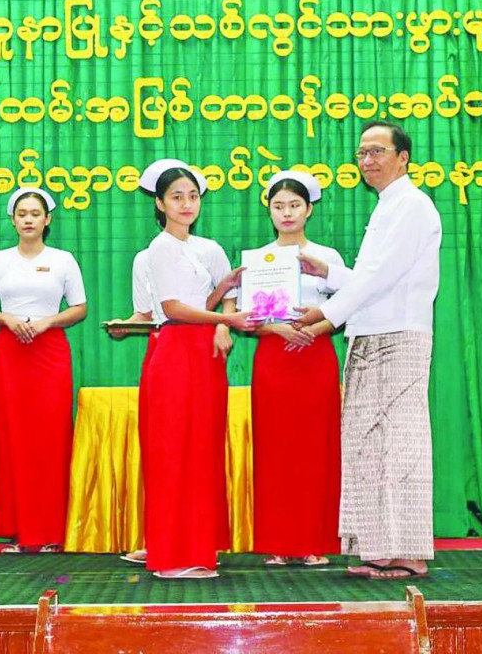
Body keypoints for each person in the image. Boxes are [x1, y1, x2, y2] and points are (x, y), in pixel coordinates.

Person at [294, 123, 442, 581]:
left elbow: (381, 278)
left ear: (403, 157)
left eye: (377, 151)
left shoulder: (412, 204)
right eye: (361, 153)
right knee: (370, 445)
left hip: (397, 335)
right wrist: (329, 273)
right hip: (372, 334)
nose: (367, 161)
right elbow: (372, 276)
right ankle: (380, 550)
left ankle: (407, 552)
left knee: (398, 446)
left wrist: (324, 315)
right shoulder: (388, 205)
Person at [138, 158, 257, 578]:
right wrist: (228, 318)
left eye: (192, 196)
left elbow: (203, 304)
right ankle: (169, 557)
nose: (186, 204)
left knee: (202, 449)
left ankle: (198, 548)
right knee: (172, 450)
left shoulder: (206, 248)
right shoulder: (159, 248)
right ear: (160, 203)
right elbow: (173, 309)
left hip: (204, 354)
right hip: (174, 349)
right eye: (176, 197)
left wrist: (224, 298)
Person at [106, 247, 241, 565]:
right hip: (163, 347)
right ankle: (160, 540)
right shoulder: (145, 257)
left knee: (201, 445)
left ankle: (201, 540)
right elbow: (146, 314)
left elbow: (229, 295)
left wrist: (223, 326)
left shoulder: (208, 250)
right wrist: (124, 325)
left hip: (201, 346)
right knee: (161, 448)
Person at [0, 187, 88, 553]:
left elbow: (80, 308)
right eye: (21, 214)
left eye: (35, 214)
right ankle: (17, 530)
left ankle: (52, 530)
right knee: (11, 436)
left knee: (51, 437)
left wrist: (47, 322)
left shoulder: (63, 260)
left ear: (47, 219)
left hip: (49, 350)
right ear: (12, 220)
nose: (28, 220)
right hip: (9, 353)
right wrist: (7, 319)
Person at [248, 170, 344, 567]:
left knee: (316, 448)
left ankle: (313, 541)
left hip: (315, 356)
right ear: (269, 211)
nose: (286, 213)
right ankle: (278, 542)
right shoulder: (258, 259)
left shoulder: (328, 258)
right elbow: (248, 318)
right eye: (279, 206)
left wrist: (313, 327)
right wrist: (278, 328)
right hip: (274, 359)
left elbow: (346, 307)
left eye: (294, 205)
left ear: (308, 210)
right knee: (275, 449)